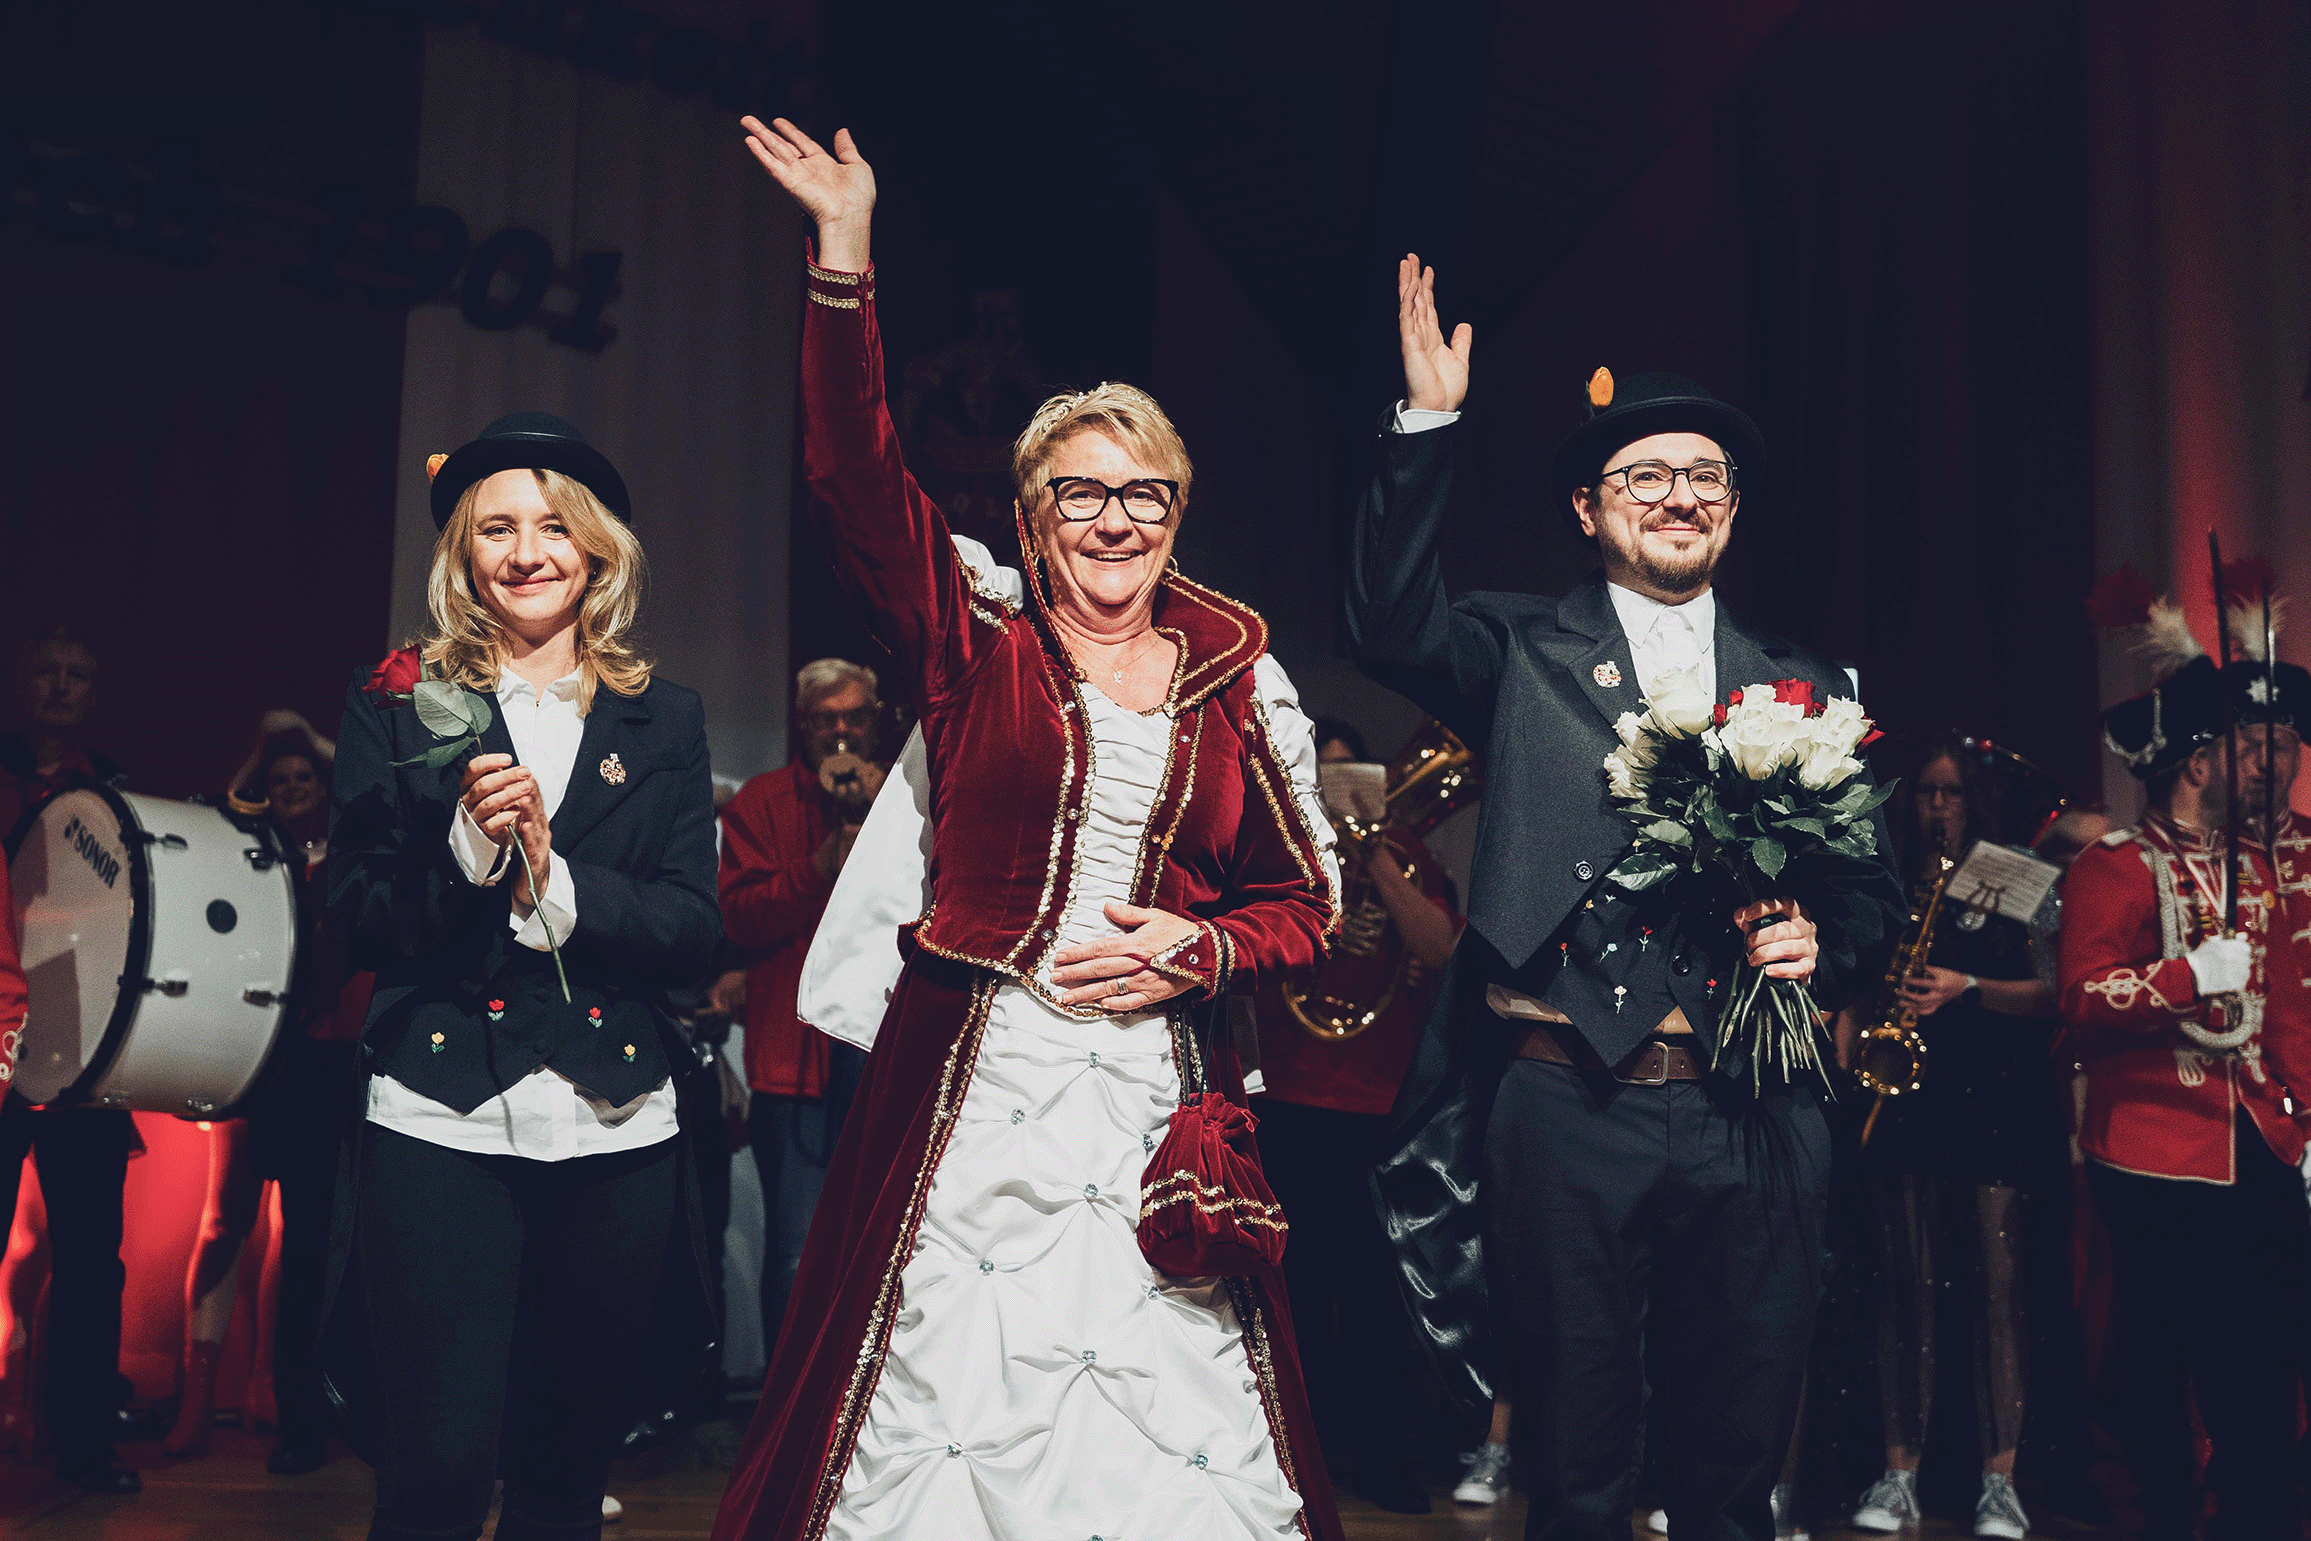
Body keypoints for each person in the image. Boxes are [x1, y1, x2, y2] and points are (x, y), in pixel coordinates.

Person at [715, 117, 1344, 1541]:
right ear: (1030, 514)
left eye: (1142, 494)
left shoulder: (1235, 679)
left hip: (1154, 1088)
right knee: (937, 1387)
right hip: (971, 1065)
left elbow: (1305, 905)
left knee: (1165, 1411)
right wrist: (842, 258)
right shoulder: (972, 637)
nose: (1113, 520)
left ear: (1176, 513)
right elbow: (852, 475)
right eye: (1081, 494)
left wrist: (1200, 945)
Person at [1352, 256, 1902, 1541]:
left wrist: (1823, 943)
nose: (1679, 496)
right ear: (1587, 508)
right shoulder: (1516, 649)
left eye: (1705, 476)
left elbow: (1869, 897)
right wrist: (1425, 424)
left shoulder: (1804, 682)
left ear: (1733, 510)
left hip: (1753, 1106)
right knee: (1576, 1463)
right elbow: (1385, 623)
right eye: (1645, 476)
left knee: (1733, 1464)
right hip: (1564, 1098)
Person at [325, 411, 721, 1541]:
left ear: (597, 548)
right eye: (496, 528)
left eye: (554, 525)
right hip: (438, 1118)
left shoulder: (666, 717)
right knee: (439, 1478)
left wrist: (560, 884)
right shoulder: (396, 697)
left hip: (616, 1126)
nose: (527, 551)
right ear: (462, 552)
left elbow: (695, 929)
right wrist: (465, 854)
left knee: (562, 1480)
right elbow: (351, 915)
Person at [2058, 616, 2311, 1541]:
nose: (2256, 765)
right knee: (2159, 1359)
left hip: (2258, 1138)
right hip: (2153, 1146)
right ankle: (2166, 1515)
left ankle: (2257, 1518)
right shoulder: (2115, 865)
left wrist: (2302, 1120)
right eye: (2233, 749)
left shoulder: (2252, 865)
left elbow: (2284, 1008)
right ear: (2197, 763)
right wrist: (2182, 978)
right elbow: (2079, 994)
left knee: (2260, 1358)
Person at [1831, 733, 2058, 1540]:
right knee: (1906, 1286)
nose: (1936, 805)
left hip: (1993, 1096)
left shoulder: (2014, 876)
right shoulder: (1893, 879)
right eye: (1925, 791)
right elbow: (1856, 984)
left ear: (1972, 801)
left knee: (1998, 1288)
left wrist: (1966, 987)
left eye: (1950, 792)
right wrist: (1854, 1028)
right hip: (1907, 1101)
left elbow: (2053, 990)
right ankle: (1898, 1474)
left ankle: (1999, 1483)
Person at [1250, 716, 1464, 1514]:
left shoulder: (1403, 851)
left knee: (1375, 1290)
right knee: (1295, 1289)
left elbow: (1440, 949)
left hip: (1376, 1101)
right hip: (1287, 1093)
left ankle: (1378, 1454)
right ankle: (1302, 1456)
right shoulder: (1279, 851)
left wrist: (1374, 854)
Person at [162, 718, 370, 1473]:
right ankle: (198, 1400)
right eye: (278, 781)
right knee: (227, 1219)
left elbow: (368, 787)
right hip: (249, 1059)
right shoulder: (250, 855)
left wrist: (310, 739)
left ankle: (290, 1406)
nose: (290, 789)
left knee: (309, 1237)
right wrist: (267, 747)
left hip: (322, 1066)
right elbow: (226, 805)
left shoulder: (346, 856)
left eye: (303, 778)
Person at [0, 628, 147, 1492]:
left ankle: (85, 1446)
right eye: (47, 671)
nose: (60, 685)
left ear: (94, 691)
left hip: (81, 1049)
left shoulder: (115, 794)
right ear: (23, 680)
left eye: (77, 674)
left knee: (93, 1258)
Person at [718, 657, 883, 1356]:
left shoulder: (907, 798)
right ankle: (785, 1412)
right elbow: (738, 918)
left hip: (885, 1057)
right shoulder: (763, 802)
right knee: (796, 1250)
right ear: (802, 725)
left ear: (876, 721)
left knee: (884, 1251)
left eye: (853, 717)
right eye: (824, 719)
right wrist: (816, 869)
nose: (839, 732)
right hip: (796, 1065)